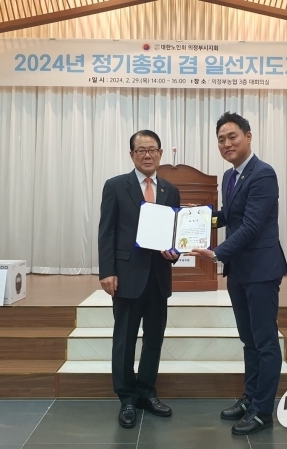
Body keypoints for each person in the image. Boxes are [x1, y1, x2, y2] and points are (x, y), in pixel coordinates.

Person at [190, 112, 287, 435]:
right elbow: (228, 216)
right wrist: (196, 219)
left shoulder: (263, 174)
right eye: (221, 139)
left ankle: (262, 411)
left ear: (248, 136)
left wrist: (218, 253)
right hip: (240, 271)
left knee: (265, 341)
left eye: (232, 136)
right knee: (249, 340)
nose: (226, 144)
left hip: (261, 270)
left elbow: (251, 225)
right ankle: (250, 397)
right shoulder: (230, 176)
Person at [98, 130, 180, 429]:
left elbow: (175, 232)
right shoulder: (116, 186)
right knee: (125, 340)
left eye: (152, 149)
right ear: (132, 154)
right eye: (141, 150)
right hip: (126, 277)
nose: (147, 155)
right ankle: (127, 398)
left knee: (154, 339)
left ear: (160, 154)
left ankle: (146, 392)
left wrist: (176, 251)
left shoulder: (170, 190)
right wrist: (107, 271)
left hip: (158, 277)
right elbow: (106, 230)